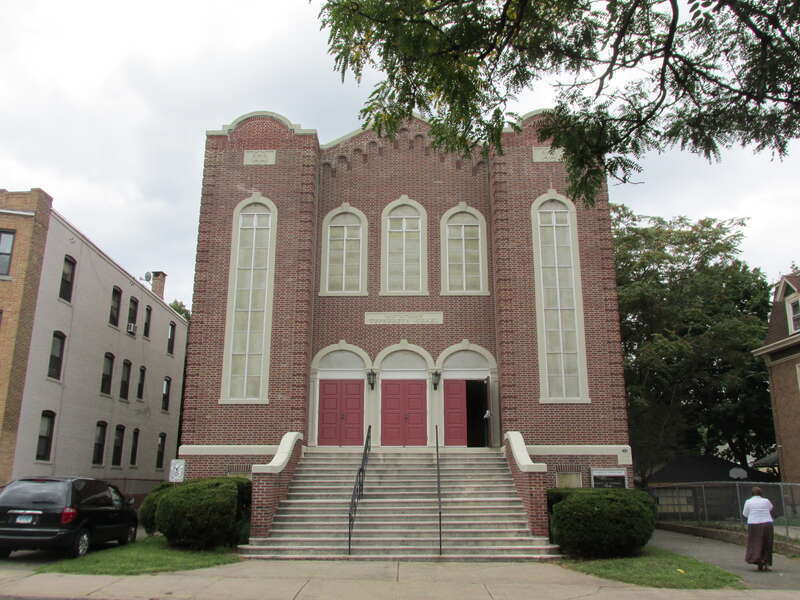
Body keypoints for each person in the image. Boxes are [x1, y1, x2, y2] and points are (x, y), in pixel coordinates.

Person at [742, 486, 774, 571]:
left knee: (755, 543)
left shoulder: (748, 501)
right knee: (767, 543)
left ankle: (758, 562)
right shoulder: (766, 501)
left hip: (754, 524)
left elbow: (745, 513)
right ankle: (766, 563)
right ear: (761, 493)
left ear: (752, 494)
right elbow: (770, 508)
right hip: (767, 523)